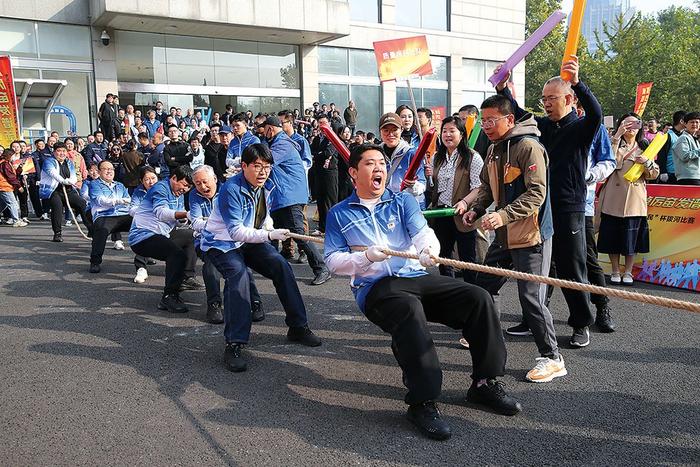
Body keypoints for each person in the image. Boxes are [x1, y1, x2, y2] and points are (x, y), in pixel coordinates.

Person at [324, 143, 521, 441]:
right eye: (370, 163)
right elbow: (333, 261)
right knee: (408, 311)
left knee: (477, 298)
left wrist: (429, 250)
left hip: (414, 275)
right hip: (376, 287)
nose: (379, 168)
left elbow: (422, 233)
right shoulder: (339, 213)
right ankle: (422, 401)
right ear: (353, 172)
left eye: (382, 163)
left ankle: (484, 383)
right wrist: (364, 258)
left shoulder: (402, 201)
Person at [494, 56, 599, 348]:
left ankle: (581, 324)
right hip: (538, 208)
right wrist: (504, 89)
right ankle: (534, 320)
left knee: (571, 268)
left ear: (569, 98)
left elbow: (596, 114)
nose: (546, 103)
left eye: (552, 98)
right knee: (538, 268)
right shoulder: (540, 126)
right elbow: (516, 113)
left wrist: (579, 82)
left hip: (569, 208)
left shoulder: (581, 127)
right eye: (544, 99)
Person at [463, 95, 566, 383]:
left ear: (509, 120)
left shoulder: (529, 146)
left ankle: (553, 357)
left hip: (532, 235)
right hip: (505, 234)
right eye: (483, 121)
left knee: (531, 298)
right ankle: (489, 337)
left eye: (491, 120)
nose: (486, 126)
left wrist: (502, 215)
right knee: (486, 286)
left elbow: (536, 194)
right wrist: (476, 209)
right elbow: (486, 186)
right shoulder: (496, 148)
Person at [201, 143, 322, 373]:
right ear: (243, 166)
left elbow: (262, 217)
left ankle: (298, 326)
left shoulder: (268, 184)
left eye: (267, 166)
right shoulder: (231, 189)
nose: (263, 172)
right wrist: (269, 234)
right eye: (257, 166)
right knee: (238, 276)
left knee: (281, 265)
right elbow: (235, 231)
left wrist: (270, 228)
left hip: (249, 239)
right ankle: (234, 343)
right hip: (221, 242)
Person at [264, 115, 331, 285]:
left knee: (299, 235)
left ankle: (321, 268)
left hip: (290, 196)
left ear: (270, 129)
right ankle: (274, 267)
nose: (263, 133)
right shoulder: (278, 142)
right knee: (276, 233)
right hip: (281, 196)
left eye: (264, 130)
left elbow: (265, 159)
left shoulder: (283, 144)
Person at [128, 165, 202, 313]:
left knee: (192, 236)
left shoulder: (178, 193)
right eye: (184, 185)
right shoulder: (160, 188)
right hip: (142, 236)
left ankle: (186, 278)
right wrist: (186, 215)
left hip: (162, 233)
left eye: (188, 187)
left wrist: (186, 219)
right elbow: (161, 213)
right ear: (174, 178)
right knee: (175, 254)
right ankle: (168, 297)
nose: (185, 189)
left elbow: (177, 218)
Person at [597, 113, 659, 285]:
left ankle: (629, 271)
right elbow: (609, 164)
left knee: (631, 237)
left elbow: (654, 174)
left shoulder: (645, 146)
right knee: (612, 236)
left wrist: (647, 162)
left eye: (634, 124)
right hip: (613, 196)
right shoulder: (612, 143)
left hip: (635, 198)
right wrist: (616, 138)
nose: (630, 127)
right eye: (626, 123)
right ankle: (615, 270)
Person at [429, 116, 483, 284]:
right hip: (441, 213)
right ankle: (450, 291)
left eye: (452, 131)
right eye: (444, 131)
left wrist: (465, 203)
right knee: (444, 257)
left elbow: (478, 187)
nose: (447, 135)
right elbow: (434, 186)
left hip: (464, 214)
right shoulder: (437, 157)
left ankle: (471, 293)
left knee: (468, 259)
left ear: (462, 134)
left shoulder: (472, 157)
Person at [39, 142, 92, 242]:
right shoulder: (49, 161)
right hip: (54, 191)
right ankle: (57, 233)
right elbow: (53, 173)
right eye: (59, 151)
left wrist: (71, 181)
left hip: (68, 190)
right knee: (57, 209)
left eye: (64, 151)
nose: (62, 153)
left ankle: (91, 228)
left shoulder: (69, 162)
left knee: (82, 204)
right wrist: (63, 180)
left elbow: (73, 175)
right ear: (54, 152)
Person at [87, 161, 133, 273]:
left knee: (142, 224)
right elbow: (100, 200)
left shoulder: (120, 185)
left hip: (123, 214)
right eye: (106, 169)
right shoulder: (94, 184)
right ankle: (95, 262)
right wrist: (118, 201)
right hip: (104, 215)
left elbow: (129, 200)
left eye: (111, 169)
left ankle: (145, 256)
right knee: (101, 230)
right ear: (99, 171)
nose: (109, 171)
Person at [378, 113, 426, 209]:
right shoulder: (376, 154)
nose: (390, 134)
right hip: (386, 208)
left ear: (401, 130)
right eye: (386, 130)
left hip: (410, 209)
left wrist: (413, 185)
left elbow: (422, 185)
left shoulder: (412, 153)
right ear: (380, 131)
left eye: (394, 130)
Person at [129, 166, 159, 283]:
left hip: (164, 222)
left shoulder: (164, 189)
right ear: (142, 181)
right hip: (145, 223)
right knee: (143, 235)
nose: (151, 182)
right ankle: (141, 268)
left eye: (153, 178)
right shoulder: (138, 192)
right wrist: (147, 211)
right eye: (147, 179)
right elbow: (132, 209)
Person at [0, 149, 28, 227]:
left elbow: (14, 174)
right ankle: (16, 220)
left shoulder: (6, 163)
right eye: (13, 155)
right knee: (12, 203)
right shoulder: (5, 164)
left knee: (3, 204)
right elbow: (11, 177)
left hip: (3, 186)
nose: (14, 157)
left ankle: (16, 220)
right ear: (9, 155)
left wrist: (20, 167)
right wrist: (19, 186)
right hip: (5, 186)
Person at [656, 111, 685, 184]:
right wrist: (663, 171)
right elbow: (662, 154)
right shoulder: (668, 135)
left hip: (682, 172)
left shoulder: (685, 135)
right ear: (681, 121)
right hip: (670, 172)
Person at [672, 111, 700, 185]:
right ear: (685, 124)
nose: (695, 124)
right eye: (692, 122)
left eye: (697, 122)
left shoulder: (694, 139)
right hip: (688, 177)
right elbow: (684, 156)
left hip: (695, 176)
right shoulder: (683, 138)